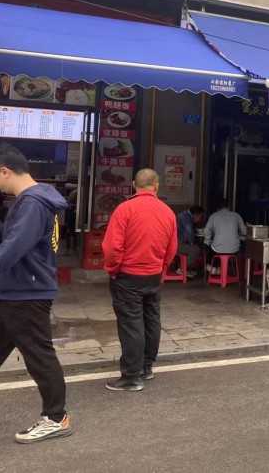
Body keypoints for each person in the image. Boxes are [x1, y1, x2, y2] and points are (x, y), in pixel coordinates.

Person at [0, 144, 71, 444]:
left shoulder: (33, 203)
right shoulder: (29, 201)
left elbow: (13, 248)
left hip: (27, 294)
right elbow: (13, 236)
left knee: (39, 358)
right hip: (10, 294)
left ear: (4, 171)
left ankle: (56, 418)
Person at [103, 168, 177, 391]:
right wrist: (161, 268)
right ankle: (146, 367)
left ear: (133, 186)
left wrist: (112, 269)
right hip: (153, 275)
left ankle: (131, 377)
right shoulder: (167, 212)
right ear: (156, 186)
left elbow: (112, 247)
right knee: (151, 319)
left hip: (128, 275)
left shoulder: (125, 209)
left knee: (131, 323)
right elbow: (171, 248)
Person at [203, 198, 247, 273]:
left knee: (209, 247)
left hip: (217, 250)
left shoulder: (214, 216)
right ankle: (229, 270)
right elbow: (244, 231)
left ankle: (212, 268)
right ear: (229, 207)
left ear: (218, 208)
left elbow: (206, 231)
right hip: (234, 250)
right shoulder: (236, 215)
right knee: (242, 247)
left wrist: (208, 241)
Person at [176, 205, 204, 279]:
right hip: (176, 245)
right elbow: (189, 234)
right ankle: (181, 268)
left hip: (175, 243)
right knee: (196, 250)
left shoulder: (184, 215)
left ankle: (185, 268)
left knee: (194, 247)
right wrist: (193, 243)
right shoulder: (186, 219)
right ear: (195, 214)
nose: (200, 220)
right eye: (200, 217)